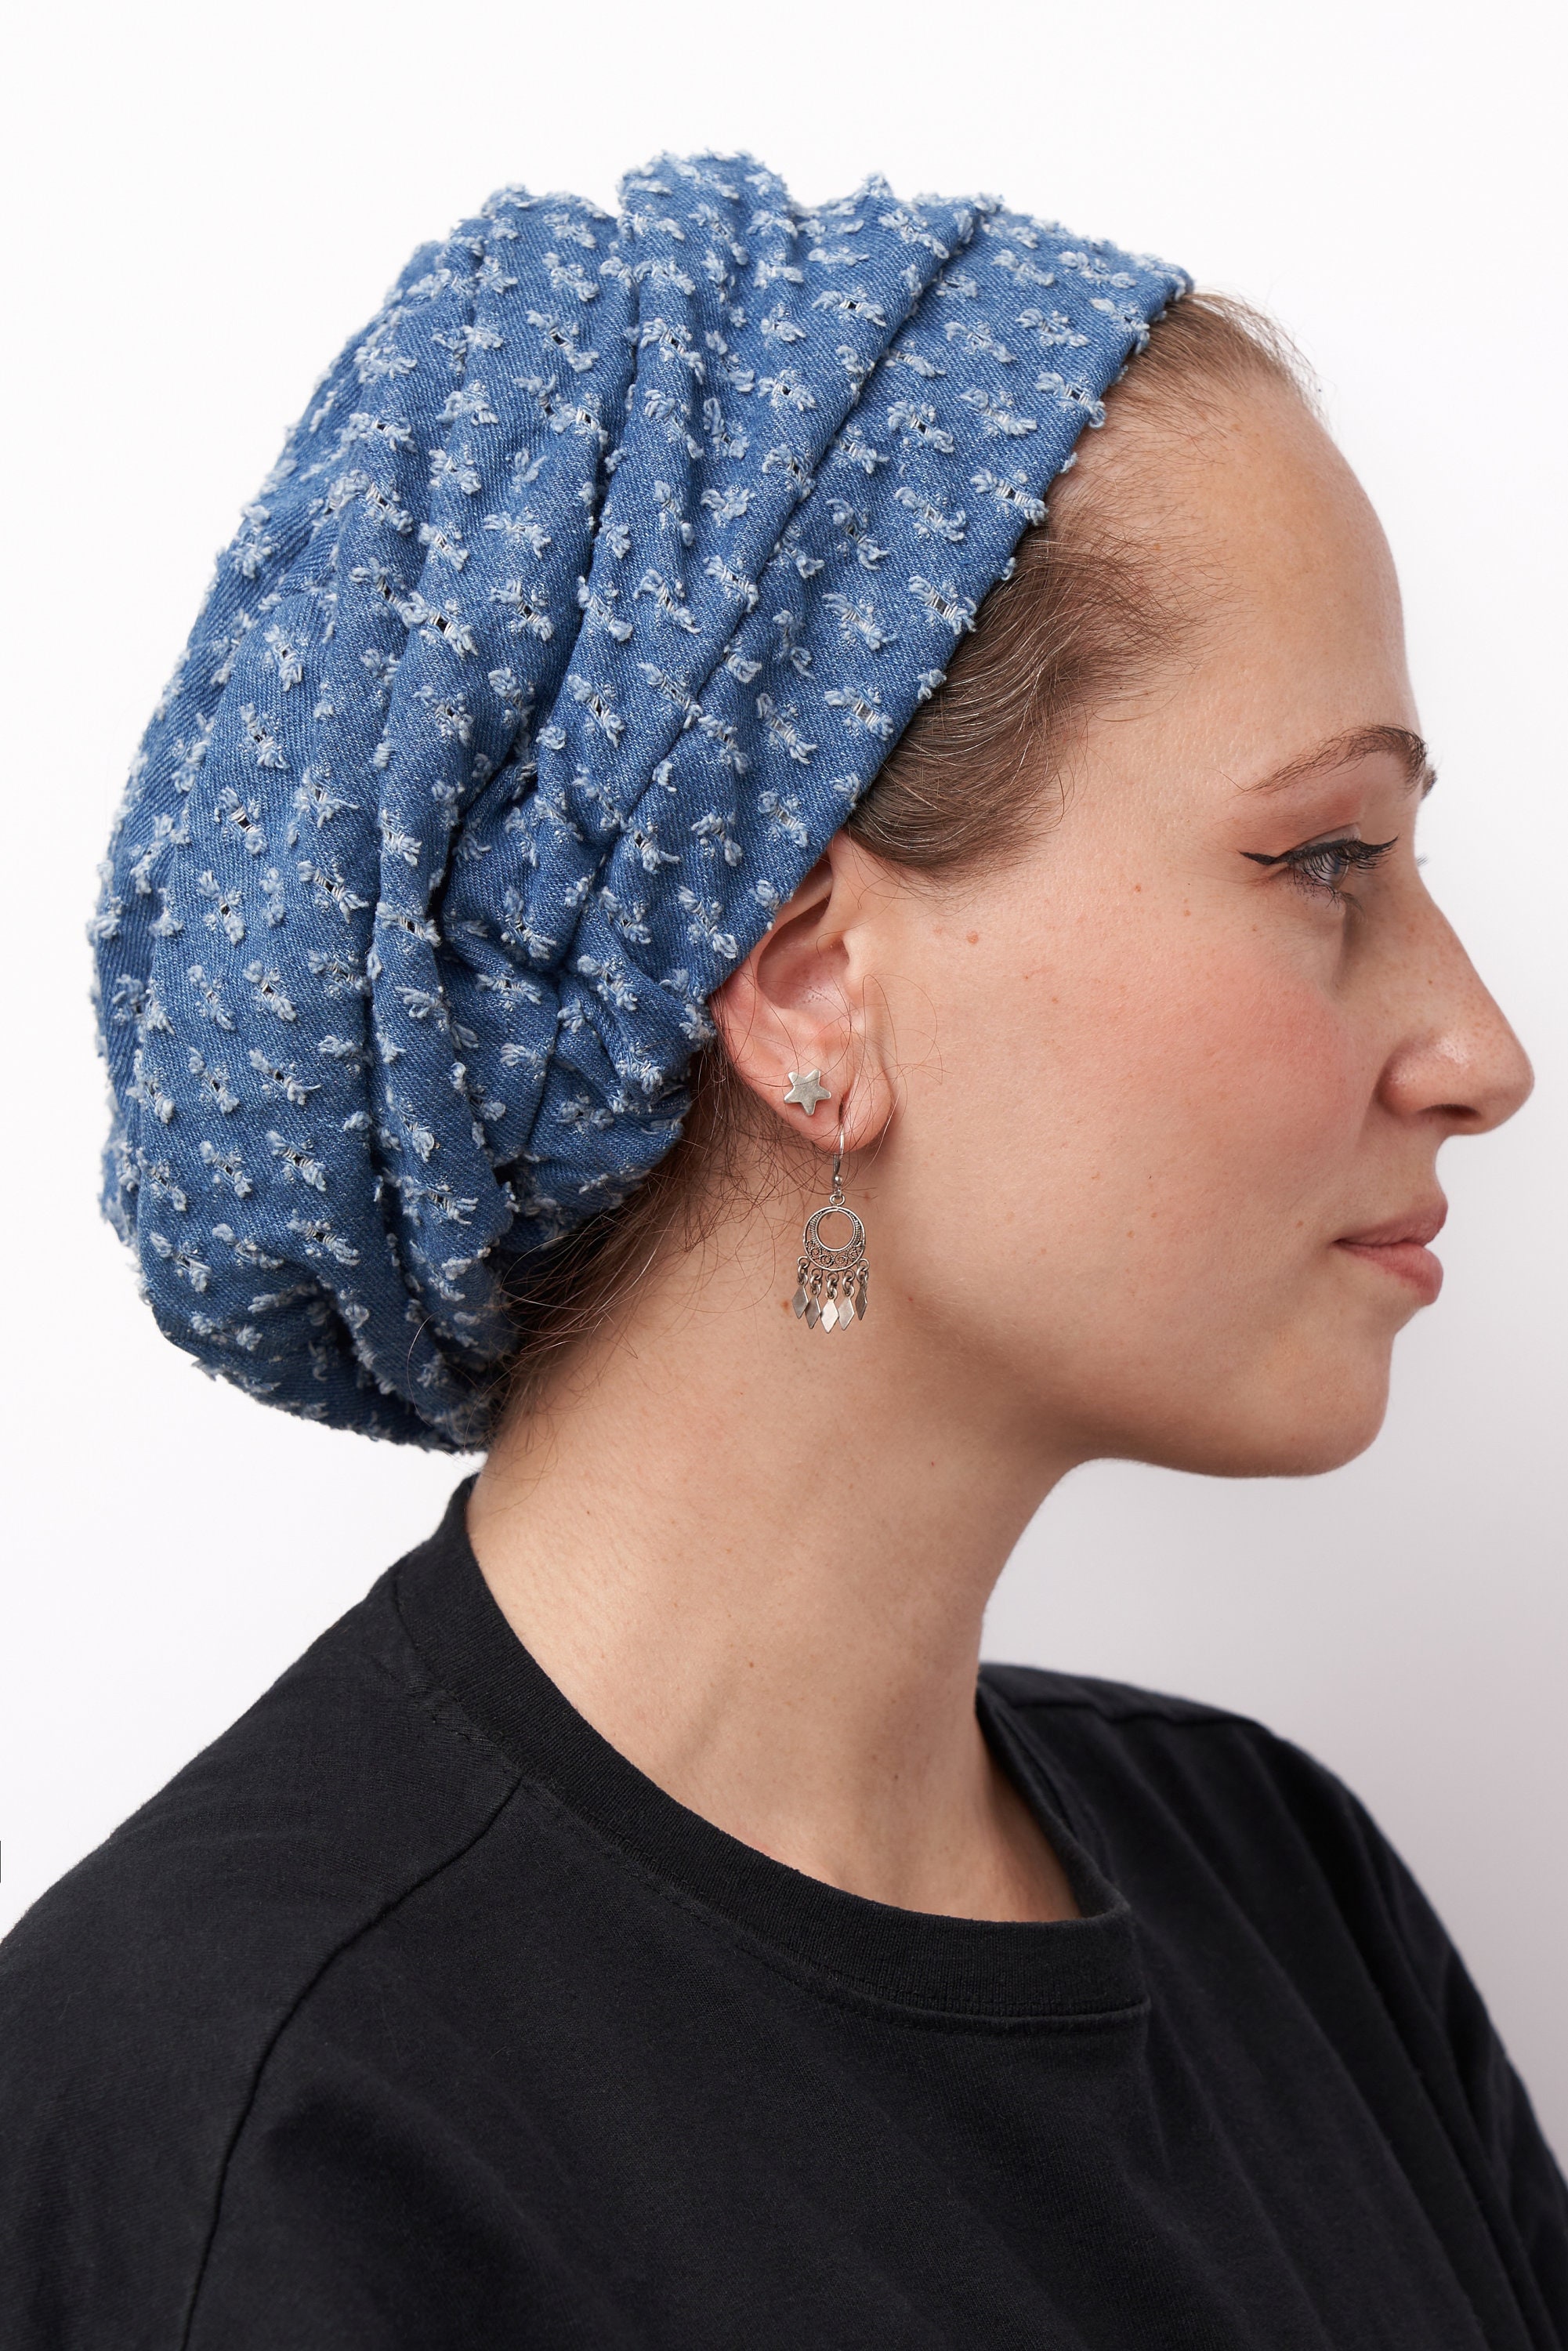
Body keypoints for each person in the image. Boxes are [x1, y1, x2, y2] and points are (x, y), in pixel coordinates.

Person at [2, 154, 1562, 2349]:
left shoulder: (1282, 1895)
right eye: (1324, 856)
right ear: (812, 987)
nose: (1480, 1055)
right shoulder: (247, 2128)